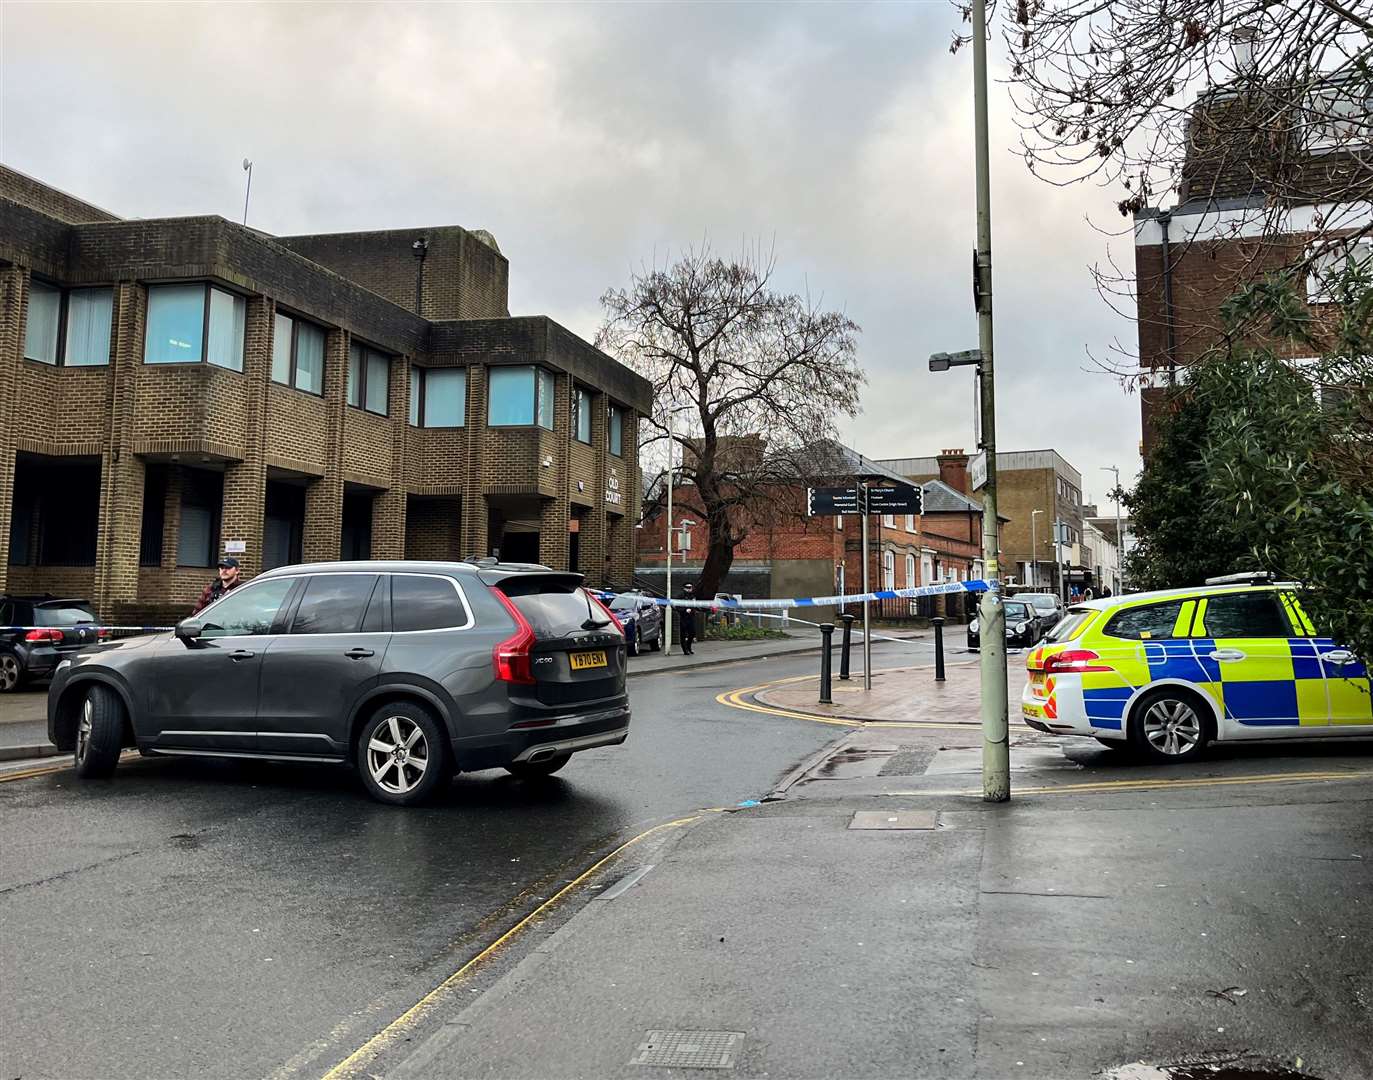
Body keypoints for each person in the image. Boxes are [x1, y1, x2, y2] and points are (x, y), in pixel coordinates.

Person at [678, 582, 698, 656]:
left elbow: (695, 605)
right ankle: (685, 649)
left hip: (691, 617)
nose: (689, 589)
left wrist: (693, 610)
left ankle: (688, 646)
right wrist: (684, 610)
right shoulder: (680, 596)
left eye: (690, 588)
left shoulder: (692, 596)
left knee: (692, 633)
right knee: (683, 634)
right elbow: (677, 606)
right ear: (684, 588)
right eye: (688, 588)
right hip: (683, 617)